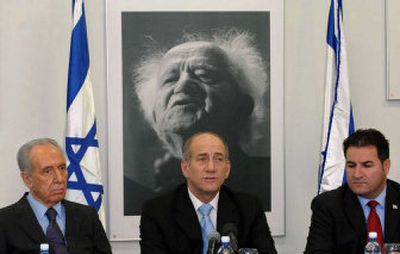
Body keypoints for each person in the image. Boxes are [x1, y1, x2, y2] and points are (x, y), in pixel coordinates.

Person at [125, 28, 271, 215]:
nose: (183, 84)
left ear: (242, 106)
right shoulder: (140, 203)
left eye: (204, 75)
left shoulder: (271, 181)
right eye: (170, 79)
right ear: (155, 116)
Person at [140, 131, 276, 254]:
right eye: (202, 159)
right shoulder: (157, 212)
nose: (211, 168)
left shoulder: (249, 207)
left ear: (227, 169)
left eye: (218, 159)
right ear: (185, 168)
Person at [0, 138, 112, 254]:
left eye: (62, 168)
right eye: (47, 171)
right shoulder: (4, 222)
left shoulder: (87, 217)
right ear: (27, 179)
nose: (59, 179)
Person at [305, 128, 400, 253]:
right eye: (351, 165)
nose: (357, 174)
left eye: (367, 165)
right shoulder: (328, 206)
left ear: (386, 166)